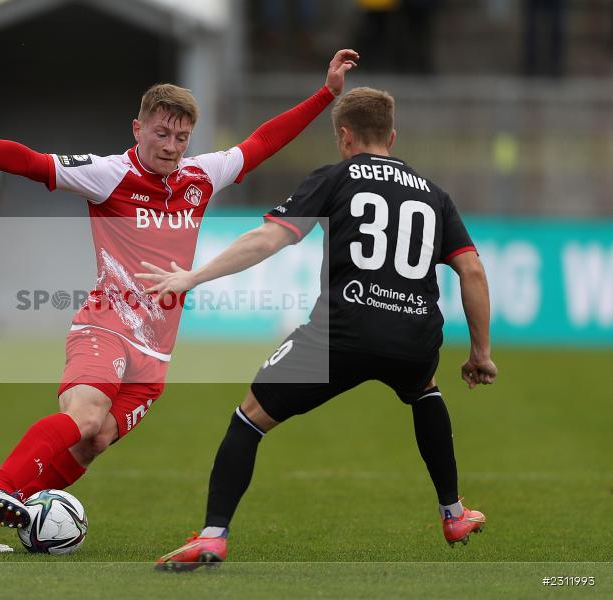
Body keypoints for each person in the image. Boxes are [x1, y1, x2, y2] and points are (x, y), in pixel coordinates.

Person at [0, 49, 359, 553]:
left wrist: (326, 94)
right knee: (87, 417)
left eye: (181, 138)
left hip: (156, 352)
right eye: (162, 134)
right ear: (137, 128)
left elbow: (263, 141)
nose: (172, 146)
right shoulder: (108, 174)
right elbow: (28, 161)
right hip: (105, 325)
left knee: (92, 443)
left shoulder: (201, 176)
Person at [141, 87, 497, 570]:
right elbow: (472, 271)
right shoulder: (434, 194)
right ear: (391, 136)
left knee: (250, 418)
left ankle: (212, 536)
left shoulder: (337, 177)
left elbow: (271, 237)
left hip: (341, 334)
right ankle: (453, 513)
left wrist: (193, 276)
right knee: (424, 390)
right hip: (415, 336)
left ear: (344, 136)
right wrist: (480, 353)